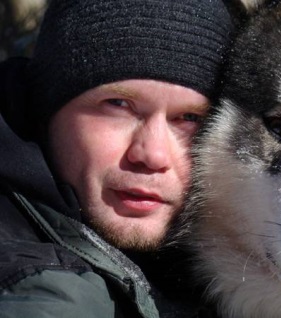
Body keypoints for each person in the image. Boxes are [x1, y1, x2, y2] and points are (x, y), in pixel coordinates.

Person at [0, 0, 234, 317]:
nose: (152, 154)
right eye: (118, 105)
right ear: (44, 107)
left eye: (190, 117)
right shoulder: (39, 292)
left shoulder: (225, 272)